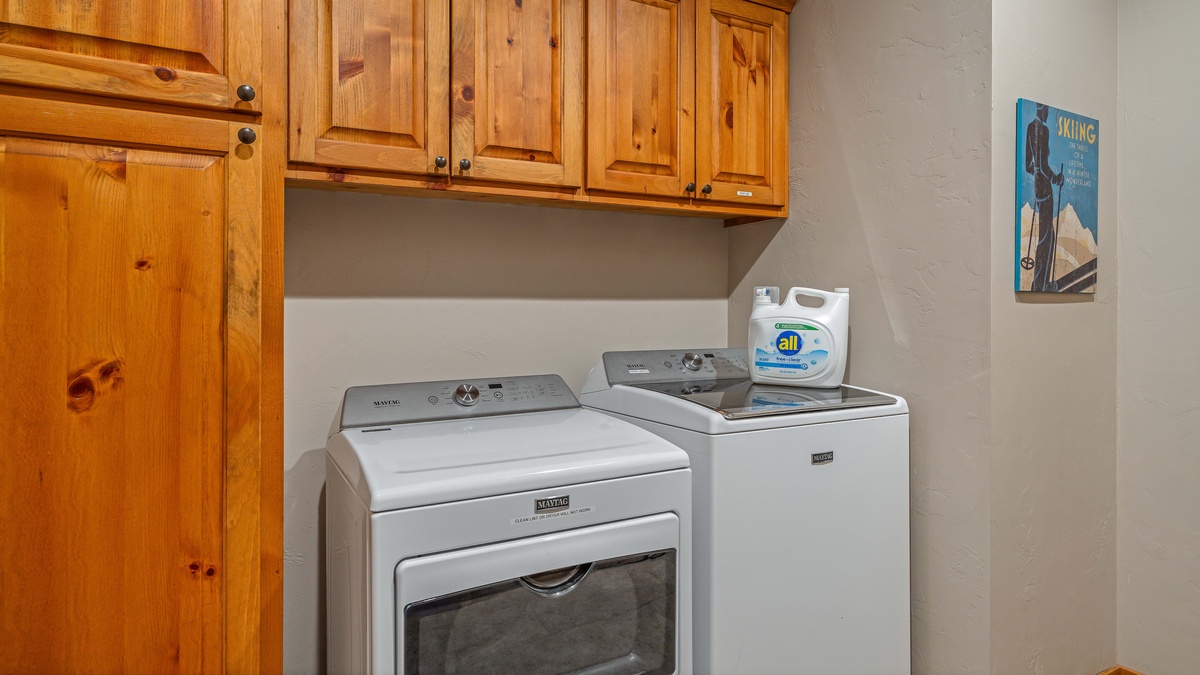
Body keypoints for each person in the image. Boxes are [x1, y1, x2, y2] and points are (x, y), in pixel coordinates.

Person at [1025, 103, 1065, 291]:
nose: (1048, 112)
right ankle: (1041, 285)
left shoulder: (1030, 127)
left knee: (1046, 235)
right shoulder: (1043, 129)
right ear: (1042, 109)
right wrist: (1054, 178)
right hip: (1046, 190)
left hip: (1037, 189)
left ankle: (1040, 283)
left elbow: (1029, 165)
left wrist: (1038, 177)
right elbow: (1042, 163)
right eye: (1047, 110)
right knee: (1047, 237)